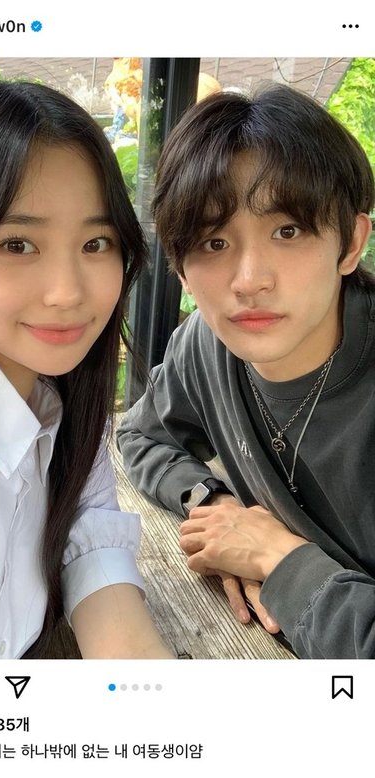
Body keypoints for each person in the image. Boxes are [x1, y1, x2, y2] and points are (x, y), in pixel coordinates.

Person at [0, 79, 173, 660]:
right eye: (18, 244)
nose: (67, 292)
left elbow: (91, 532)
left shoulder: (63, 406)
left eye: (96, 243)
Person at [117, 83, 375, 659]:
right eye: (214, 242)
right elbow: (140, 435)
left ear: (351, 243)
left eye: (288, 231)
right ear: (179, 267)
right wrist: (216, 507)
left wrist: (277, 560)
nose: (250, 280)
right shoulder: (207, 344)